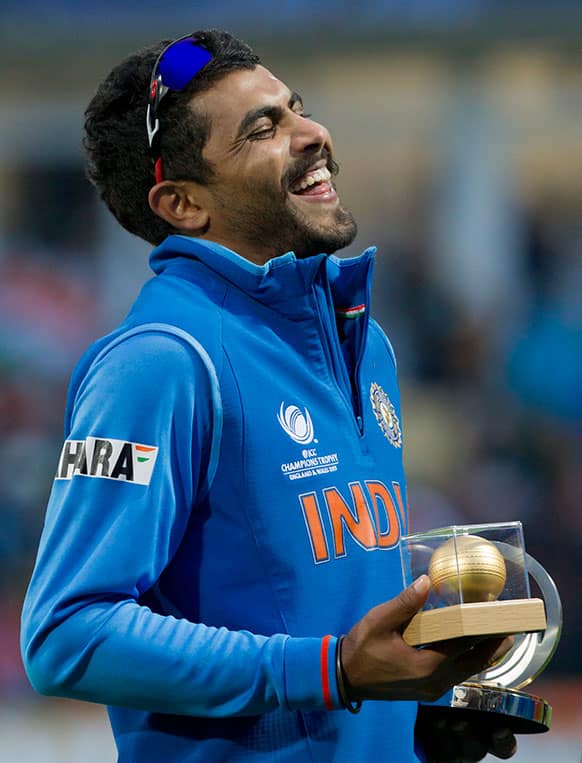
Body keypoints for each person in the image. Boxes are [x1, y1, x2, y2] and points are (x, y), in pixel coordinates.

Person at [21, 30, 517, 762]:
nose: (312, 134)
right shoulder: (161, 362)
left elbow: (329, 613)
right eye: (264, 128)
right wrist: (330, 671)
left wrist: (421, 714)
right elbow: (66, 634)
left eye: (296, 109)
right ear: (183, 202)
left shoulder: (363, 344)